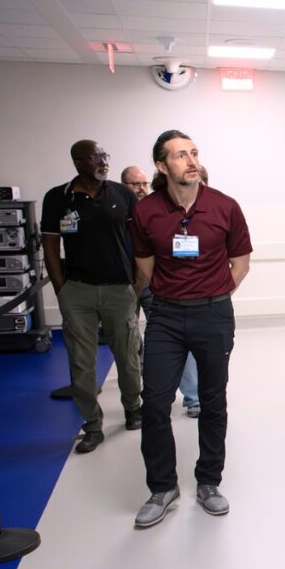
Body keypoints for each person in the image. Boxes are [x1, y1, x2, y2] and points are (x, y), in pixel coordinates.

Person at [129, 130, 252, 527]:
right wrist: (172, 295)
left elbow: (241, 263)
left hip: (214, 314)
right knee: (154, 402)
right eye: (180, 155)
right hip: (165, 316)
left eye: (194, 153)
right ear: (163, 167)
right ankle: (162, 488)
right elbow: (144, 266)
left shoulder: (225, 207)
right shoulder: (146, 211)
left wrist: (215, 294)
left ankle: (208, 482)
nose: (191, 160)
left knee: (214, 400)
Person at [40, 140, 142, 453]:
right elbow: (50, 247)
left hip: (118, 289)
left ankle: (133, 408)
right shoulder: (58, 197)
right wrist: (62, 289)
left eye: (105, 155)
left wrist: (137, 284)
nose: (103, 161)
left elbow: (139, 239)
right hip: (78, 291)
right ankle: (92, 425)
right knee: (81, 363)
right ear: (78, 161)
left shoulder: (122, 194)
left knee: (127, 356)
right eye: (96, 157)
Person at [123, 164, 200, 419]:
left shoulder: (160, 211)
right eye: (135, 184)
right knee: (129, 340)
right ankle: (138, 397)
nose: (141, 189)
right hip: (123, 285)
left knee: (176, 338)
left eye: (143, 184)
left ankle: (192, 397)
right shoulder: (118, 212)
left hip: (155, 284)